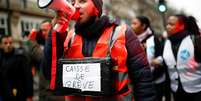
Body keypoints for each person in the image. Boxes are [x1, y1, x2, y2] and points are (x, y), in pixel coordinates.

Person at [43, 0, 156, 101]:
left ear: (97, 8)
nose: (76, 6)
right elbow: (49, 74)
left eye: (82, 1)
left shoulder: (123, 34)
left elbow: (143, 81)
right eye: (72, 2)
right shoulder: (67, 37)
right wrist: (55, 33)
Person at [131, 16, 170, 101]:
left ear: (143, 26)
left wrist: (156, 61)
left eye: (134, 23)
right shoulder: (131, 40)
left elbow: (162, 57)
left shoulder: (153, 39)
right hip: (139, 82)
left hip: (156, 81)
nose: (131, 26)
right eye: (132, 23)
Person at [163, 14, 201, 101]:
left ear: (182, 26)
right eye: (167, 24)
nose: (168, 27)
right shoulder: (166, 43)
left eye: (171, 24)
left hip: (197, 92)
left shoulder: (196, 40)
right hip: (176, 92)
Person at [26, 20, 65, 101]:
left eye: (45, 30)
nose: (43, 33)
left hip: (53, 94)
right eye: (41, 30)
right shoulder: (42, 43)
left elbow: (43, 59)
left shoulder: (58, 43)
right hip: (45, 92)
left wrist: (31, 42)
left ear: (52, 29)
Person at [0, 35, 33, 101]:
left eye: (10, 43)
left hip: (19, 93)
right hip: (5, 94)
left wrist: (29, 95)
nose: (8, 45)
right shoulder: (1, 57)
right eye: (5, 43)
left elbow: (28, 76)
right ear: (1, 45)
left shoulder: (20, 56)